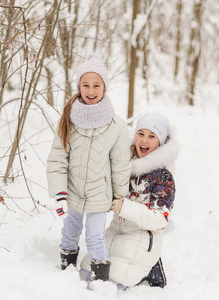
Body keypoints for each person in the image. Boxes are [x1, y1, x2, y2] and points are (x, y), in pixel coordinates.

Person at [46, 53, 131, 281]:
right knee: (70, 231)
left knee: (95, 236)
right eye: (85, 85)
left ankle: (101, 279)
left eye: (96, 85)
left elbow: (121, 163)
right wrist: (60, 194)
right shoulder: (68, 119)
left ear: (104, 87)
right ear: (79, 86)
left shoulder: (116, 125)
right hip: (72, 191)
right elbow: (57, 159)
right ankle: (66, 272)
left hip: (99, 195)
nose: (91, 91)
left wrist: (119, 195)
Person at [80, 113, 178, 289]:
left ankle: (151, 267)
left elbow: (160, 219)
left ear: (161, 142)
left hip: (141, 236)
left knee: (110, 281)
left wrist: (124, 206)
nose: (144, 141)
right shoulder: (124, 164)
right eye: (141, 134)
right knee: (85, 272)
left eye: (151, 136)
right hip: (115, 230)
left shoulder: (163, 176)